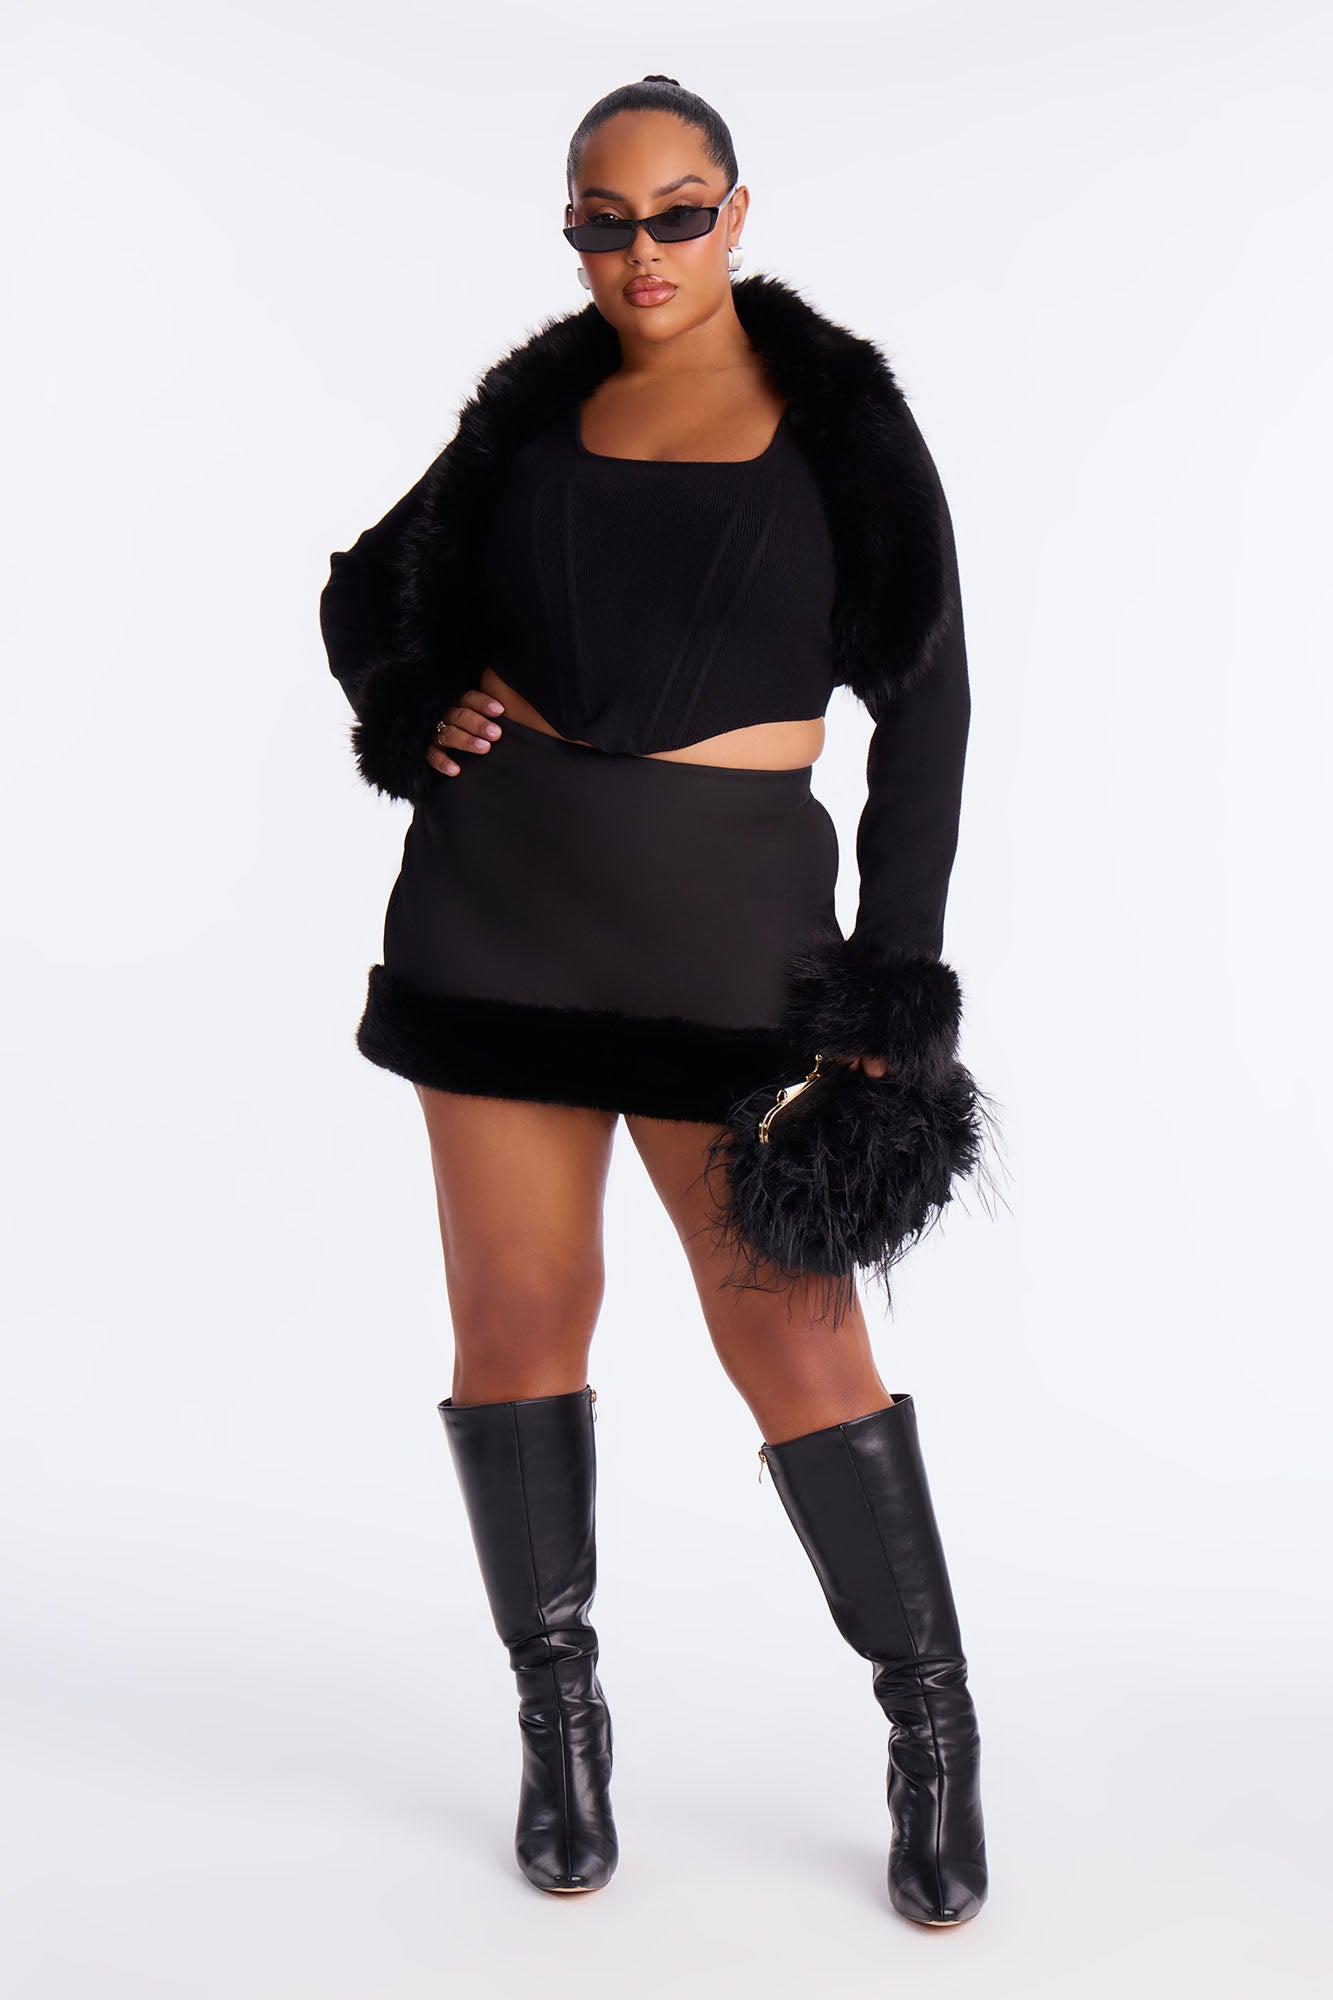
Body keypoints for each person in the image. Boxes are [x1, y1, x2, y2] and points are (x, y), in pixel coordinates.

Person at [319, 75, 988, 1924]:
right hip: (498, 923)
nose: (643, 254)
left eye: (678, 214)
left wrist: (890, 977)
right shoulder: (532, 413)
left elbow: (927, 705)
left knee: (794, 1341)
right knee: (517, 1313)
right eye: (602, 223)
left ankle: (931, 1726)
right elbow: (368, 589)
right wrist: (414, 703)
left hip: (730, 949)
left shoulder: (838, 418)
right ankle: (559, 1726)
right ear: (572, 232)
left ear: (737, 213)